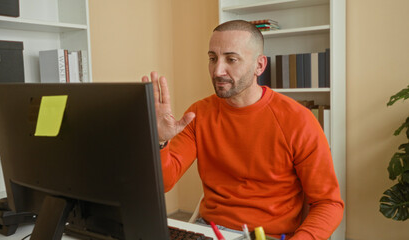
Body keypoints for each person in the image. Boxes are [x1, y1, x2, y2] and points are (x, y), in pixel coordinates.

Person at [142, 20, 344, 240]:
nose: (218, 70)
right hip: (208, 231)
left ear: (259, 65)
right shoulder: (198, 113)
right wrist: (160, 141)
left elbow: (328, 203)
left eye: (231, 59)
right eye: (212, 58)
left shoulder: (298, 120)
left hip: (268, 236)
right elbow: (164, 183)